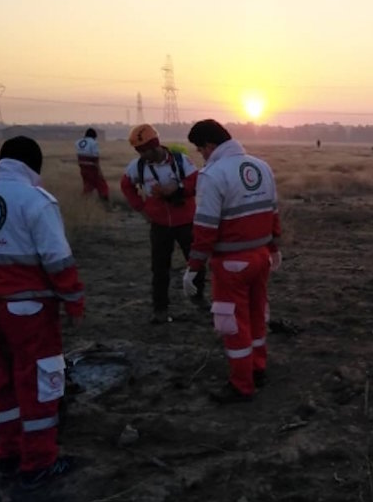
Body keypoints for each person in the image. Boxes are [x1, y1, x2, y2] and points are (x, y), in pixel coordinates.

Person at [0, 136, 84, 489]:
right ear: (33, 166)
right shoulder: (37, 201)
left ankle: (8, 454)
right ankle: (39, 462)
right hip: (30, 313)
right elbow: (57, 259)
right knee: (41, 382)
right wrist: (74, 301)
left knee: (3, 379)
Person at [183, 119, 281, 403]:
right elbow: (272, 212)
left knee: (233, 324)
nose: (202, 155)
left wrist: (193, 267)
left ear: (210, 145)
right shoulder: (262, 166)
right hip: (261, 257)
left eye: (201, 149)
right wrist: (273, 247)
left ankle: (241, 385)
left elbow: (205, 228)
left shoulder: (212, 175)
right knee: (256, 315)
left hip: (230, 264)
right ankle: (258, 369)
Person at [120, 124, 207, 324]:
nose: (142, 155)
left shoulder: (181, 161)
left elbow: (197, 181)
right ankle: (160, 309)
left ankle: (198, 297)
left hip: (186, 222)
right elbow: (126, 185)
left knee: (196, 262)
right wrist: (141, 208)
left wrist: (176, 188)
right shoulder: (138, 167)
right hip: (159, 225)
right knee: (159, 269)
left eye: (144, 150)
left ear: (155, 145)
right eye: (138, 151)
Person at [75, 128, 110, 201]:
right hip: (91, 167)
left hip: (82, 167)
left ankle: (83, 201)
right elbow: (95, 158)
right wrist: (99, 171)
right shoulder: (94, 143)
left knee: (88, 186)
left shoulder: (78, 142)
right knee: (102, 185)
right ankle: (105, 202)